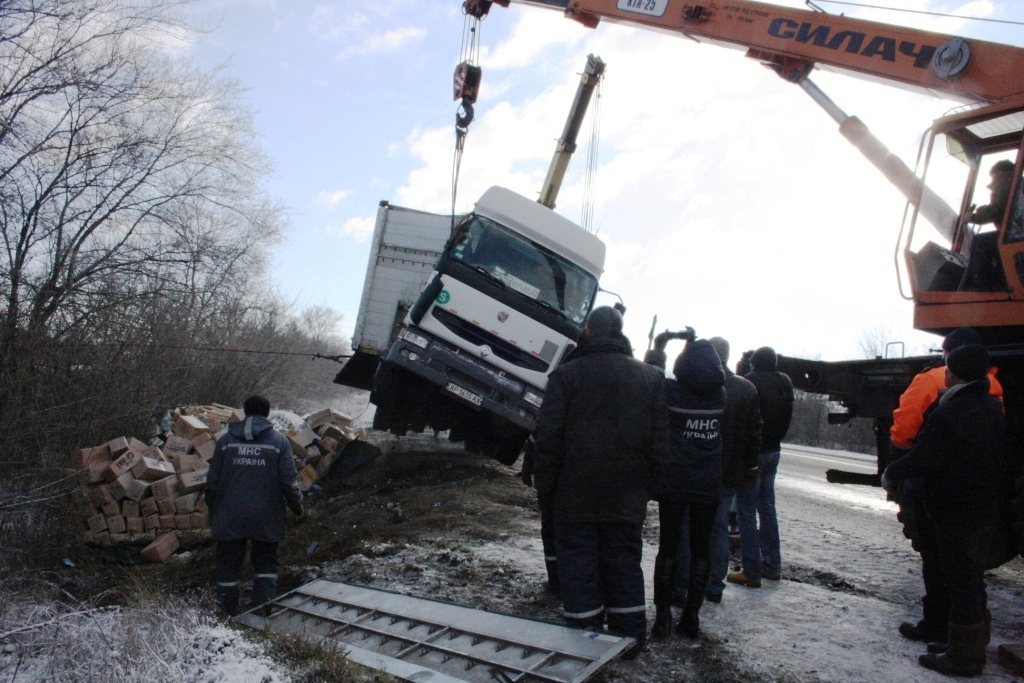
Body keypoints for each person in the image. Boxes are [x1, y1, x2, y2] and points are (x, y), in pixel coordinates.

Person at [533, 306, 669, 660]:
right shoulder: (650, 379)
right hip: (626, 498)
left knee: (578, 565)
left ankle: (584, 643)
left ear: (588, 332)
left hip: (574, 495)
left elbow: (548, 438)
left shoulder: (566, 375)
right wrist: (646, 489)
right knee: (623, 563)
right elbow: (661, 445)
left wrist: (546, 490)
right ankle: (629, 640)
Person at [882, 345, 1008, 676]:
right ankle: (961, 643)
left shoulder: (951, 412)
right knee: (970, 578)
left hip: (956, 509)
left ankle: (964, 658)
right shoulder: (993, 408)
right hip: (981, 506)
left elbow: (924, 457)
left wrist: (892, 472)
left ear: (956, 372)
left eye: (949, 368)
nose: (945, 373)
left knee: (961, 580)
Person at [644, 338, 726, 639]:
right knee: (701, 548)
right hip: (708, 483)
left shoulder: (671, 392)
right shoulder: (721, 397)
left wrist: (660, 346)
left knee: (668, 546)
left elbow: (652, 374)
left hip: (674, 480)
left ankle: (662, 616)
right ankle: (691, 615)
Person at [672, 337, 762, 604]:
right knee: (718, 527)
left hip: (700, 468)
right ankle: (714, 585)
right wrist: (750, 468)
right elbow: (754, 435)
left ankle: (683, 584)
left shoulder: (698, 384)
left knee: (688, 527)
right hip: (730, 472)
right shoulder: (746, 389)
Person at [205, 395, 305, 616]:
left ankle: (227, 616)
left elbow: (212, 481)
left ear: (245, 413)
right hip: (266, 516)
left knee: (228, 568)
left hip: (229, 515)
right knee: (266, 566)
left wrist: (212, 510)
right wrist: (297, 507)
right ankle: (261, 614)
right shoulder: (279, 442)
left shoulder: (225, 441)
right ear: (268, 413)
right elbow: (288, 481)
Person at [729, 346, 793, 588]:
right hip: (774, 451)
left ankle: (751, 570)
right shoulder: (785, 382)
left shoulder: (748, 382)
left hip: (754, 456)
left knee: (746, 510)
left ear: (754, 363)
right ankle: (772, 566)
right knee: (767, 509)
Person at [961, 159, 1019, 291]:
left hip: (1015, 235)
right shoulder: (1018, 182)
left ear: (998, 173)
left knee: (981, 242)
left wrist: (973, 217)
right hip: (1018, 234)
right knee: (997, 246)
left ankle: (981, 288)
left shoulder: (1004, 181)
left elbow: (995, 209)